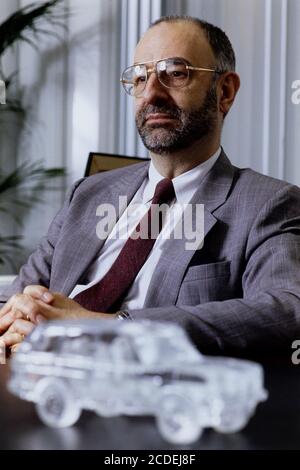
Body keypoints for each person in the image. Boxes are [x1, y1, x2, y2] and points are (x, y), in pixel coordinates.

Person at [1, 15, 300, 358]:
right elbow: (15, 299)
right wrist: (17, 316)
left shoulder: (268, 203)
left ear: (225, 91)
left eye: (175, 73)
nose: (152, 93)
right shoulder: (88, 194)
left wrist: (110, 329)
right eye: (140, 77)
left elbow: (287, 310)